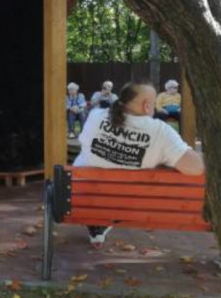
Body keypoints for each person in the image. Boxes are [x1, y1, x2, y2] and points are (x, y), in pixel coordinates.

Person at [73, 81, 205, 248]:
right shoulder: (160, 132)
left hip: (81, 199)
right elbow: (196, 167)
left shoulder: (95, 115)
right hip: (132, 205)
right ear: (147, 105)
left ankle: (99, 220)